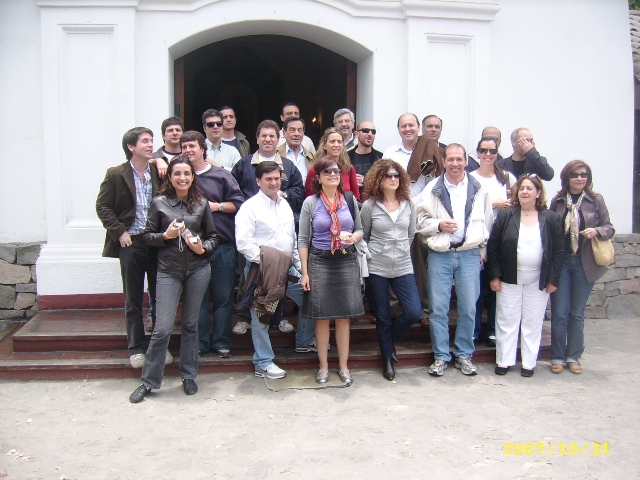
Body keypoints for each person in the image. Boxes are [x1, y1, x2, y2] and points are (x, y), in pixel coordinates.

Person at [129, 156, 218, 403]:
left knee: (190, 324)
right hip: (168, 270)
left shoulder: (201, 203)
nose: (182, 178)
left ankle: (188, 375)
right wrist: (166, 236)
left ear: (193, 177)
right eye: (177, 173)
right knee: (162, 328)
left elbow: (213, 236)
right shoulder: (159, 203)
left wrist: (203, 247)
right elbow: (147, 236)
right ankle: (149, 381)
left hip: (198, 270)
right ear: (169, 177)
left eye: (187, 173)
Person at [416, 143, 493, 377]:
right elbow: (419, 221)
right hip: (440, 255)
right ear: (444, 161)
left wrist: (482, 252)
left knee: (468, 308)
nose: (455, 163)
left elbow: (488, 222)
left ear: (466, 161)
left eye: (459, 159)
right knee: (438, 309)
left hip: (470, 254)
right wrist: (438, 225)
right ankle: (441, 356)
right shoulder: (432, 188)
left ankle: (463, 355)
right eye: (450, 159)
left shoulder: (479, 188)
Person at [231, 120, 305, 335]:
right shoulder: (244, 164)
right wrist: (250, 207)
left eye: (272, 136)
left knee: (284, 284)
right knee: (249, 282)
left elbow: (299, 191)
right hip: (254, 232)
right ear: (257, 138)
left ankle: (281, 317)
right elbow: (233, 190)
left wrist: (284, 195)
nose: (267, 139)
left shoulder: (288, 166)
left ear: (278, 139)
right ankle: (244, 317)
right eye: (263, 135)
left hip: (280, 232)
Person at [96, 127, 161, 369]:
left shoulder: (158, 171)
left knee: (160, 296)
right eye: (145, 141)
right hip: (131, 242)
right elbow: (103, 206)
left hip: (155, 242)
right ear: (131, 147)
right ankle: (136, 349)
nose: (150, 144)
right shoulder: (116, 174)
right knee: (133, 298)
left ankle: (158, 347)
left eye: (151, 140)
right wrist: (119, 231)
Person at [487, 174, 563, 377]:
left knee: (532, 321)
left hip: (538, 279)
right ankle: (504, 360)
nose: (525, 192)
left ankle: (529, 363)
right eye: (521, 188)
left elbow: (558, 252)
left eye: (529, 188)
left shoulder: (551, 218)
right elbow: (493, 247)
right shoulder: (506, 215)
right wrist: (494, 276)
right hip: (509, 277)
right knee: (506, 320)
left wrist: (553, 280)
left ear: (538, 193)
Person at [299, 156, 364, 386]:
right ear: (318, 177)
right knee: (322, 317)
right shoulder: (311, 203)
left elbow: (360, 230)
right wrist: (304, 272)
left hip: (345, 260)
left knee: (344, 317)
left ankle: (344, 366)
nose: (333, 175)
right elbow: (303, 239)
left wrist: (354, 237)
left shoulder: (349, 199)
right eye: (327, 172)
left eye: (336, 171)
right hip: (320, 261)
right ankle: (324, 366)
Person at [180, 131, 244, 359]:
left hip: (222, 246)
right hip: (192, 247)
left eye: (192, 146)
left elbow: (238, 203)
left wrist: (216, 207)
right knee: (197, 299)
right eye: (184, 147)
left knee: (223, 297)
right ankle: (200, 342)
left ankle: (221, 342)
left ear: (202, 148)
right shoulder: (181, 176)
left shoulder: (221, 175)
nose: (188, 150)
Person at [235, 161, 301, 380]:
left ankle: (304, 342)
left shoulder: (284, 205)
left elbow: (292, 239)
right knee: (261, 313)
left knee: (310, 298)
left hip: (288, 267)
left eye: (277, 178)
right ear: (258, 181)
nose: (274, 183)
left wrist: (300, 268)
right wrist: (268, 263)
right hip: (262, 268)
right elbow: (244, 243)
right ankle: (263, 362)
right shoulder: (249, 207)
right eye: (268, 179)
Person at [549, 161, 615, 375]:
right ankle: (557, 356)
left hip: (584, 261)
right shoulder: (558, 201)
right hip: (562, 262)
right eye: (575, 175)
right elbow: (549, 228)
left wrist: (597, 231)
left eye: (584, 175)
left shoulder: (596, 200)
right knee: (559, 312)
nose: (580, 178)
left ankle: (573, 357)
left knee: (576, 313)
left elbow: (609, 227)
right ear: (566, 178)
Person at [360, 159, 421, 381]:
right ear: (379, 179)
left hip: (403, 265)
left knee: (414, 312)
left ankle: (388, 341)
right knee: (383, 315)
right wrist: (373, 253)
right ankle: (387, 358)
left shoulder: (409, 204)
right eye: (388, 175)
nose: (393, 179)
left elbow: (411, 233)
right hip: (377, 266)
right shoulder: (369, 206)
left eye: (396, 175)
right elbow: (364, 235)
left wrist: (402, 249)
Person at [470, 137, 516, 347]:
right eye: (484, 150)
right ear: (477, 152)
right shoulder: (470, 178)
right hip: (477, 239)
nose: (488, 155)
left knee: (497, 287)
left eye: (492, 151)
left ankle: (492, 330)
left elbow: (517, 202)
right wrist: (493, 204)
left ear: (497, 153)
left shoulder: (506, 178)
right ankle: (474, 330)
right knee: (475, 289)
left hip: (501, 239)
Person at [305, 127, 361, 201]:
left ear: (343, 145)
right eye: (332, 141)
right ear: (324, 145)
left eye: (339, 142)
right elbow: (309, 196)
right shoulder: (315, 169)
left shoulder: (349, 168)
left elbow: (356, 197)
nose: (336, 145)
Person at [348, 121, 383, 187]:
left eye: (373, 132)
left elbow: (384, 182)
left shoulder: (381, 158)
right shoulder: (346, 157)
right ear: (356, 134)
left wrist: (365, 181)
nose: (370, 134)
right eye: (365, 130)